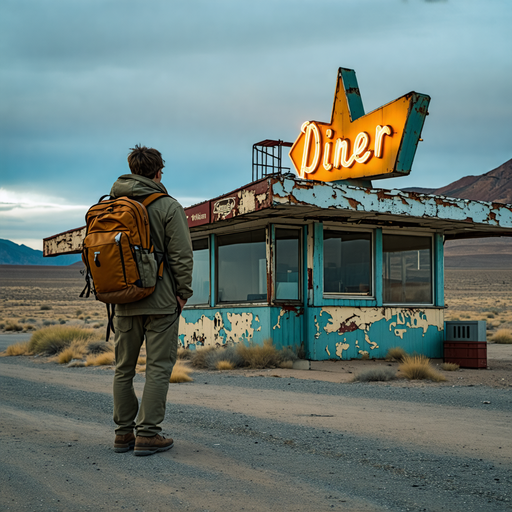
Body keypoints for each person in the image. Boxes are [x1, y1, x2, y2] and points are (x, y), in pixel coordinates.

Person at [111, 144, 193, 456]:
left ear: (132, 170)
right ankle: (147, 435)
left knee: (123, 368)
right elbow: (182, 256)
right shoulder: (167, 206)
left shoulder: (112, 204)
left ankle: (123, 434)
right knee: (158, 368)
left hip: (123, 299)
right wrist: (182, 294)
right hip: (160, 302)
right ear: (158, 172)